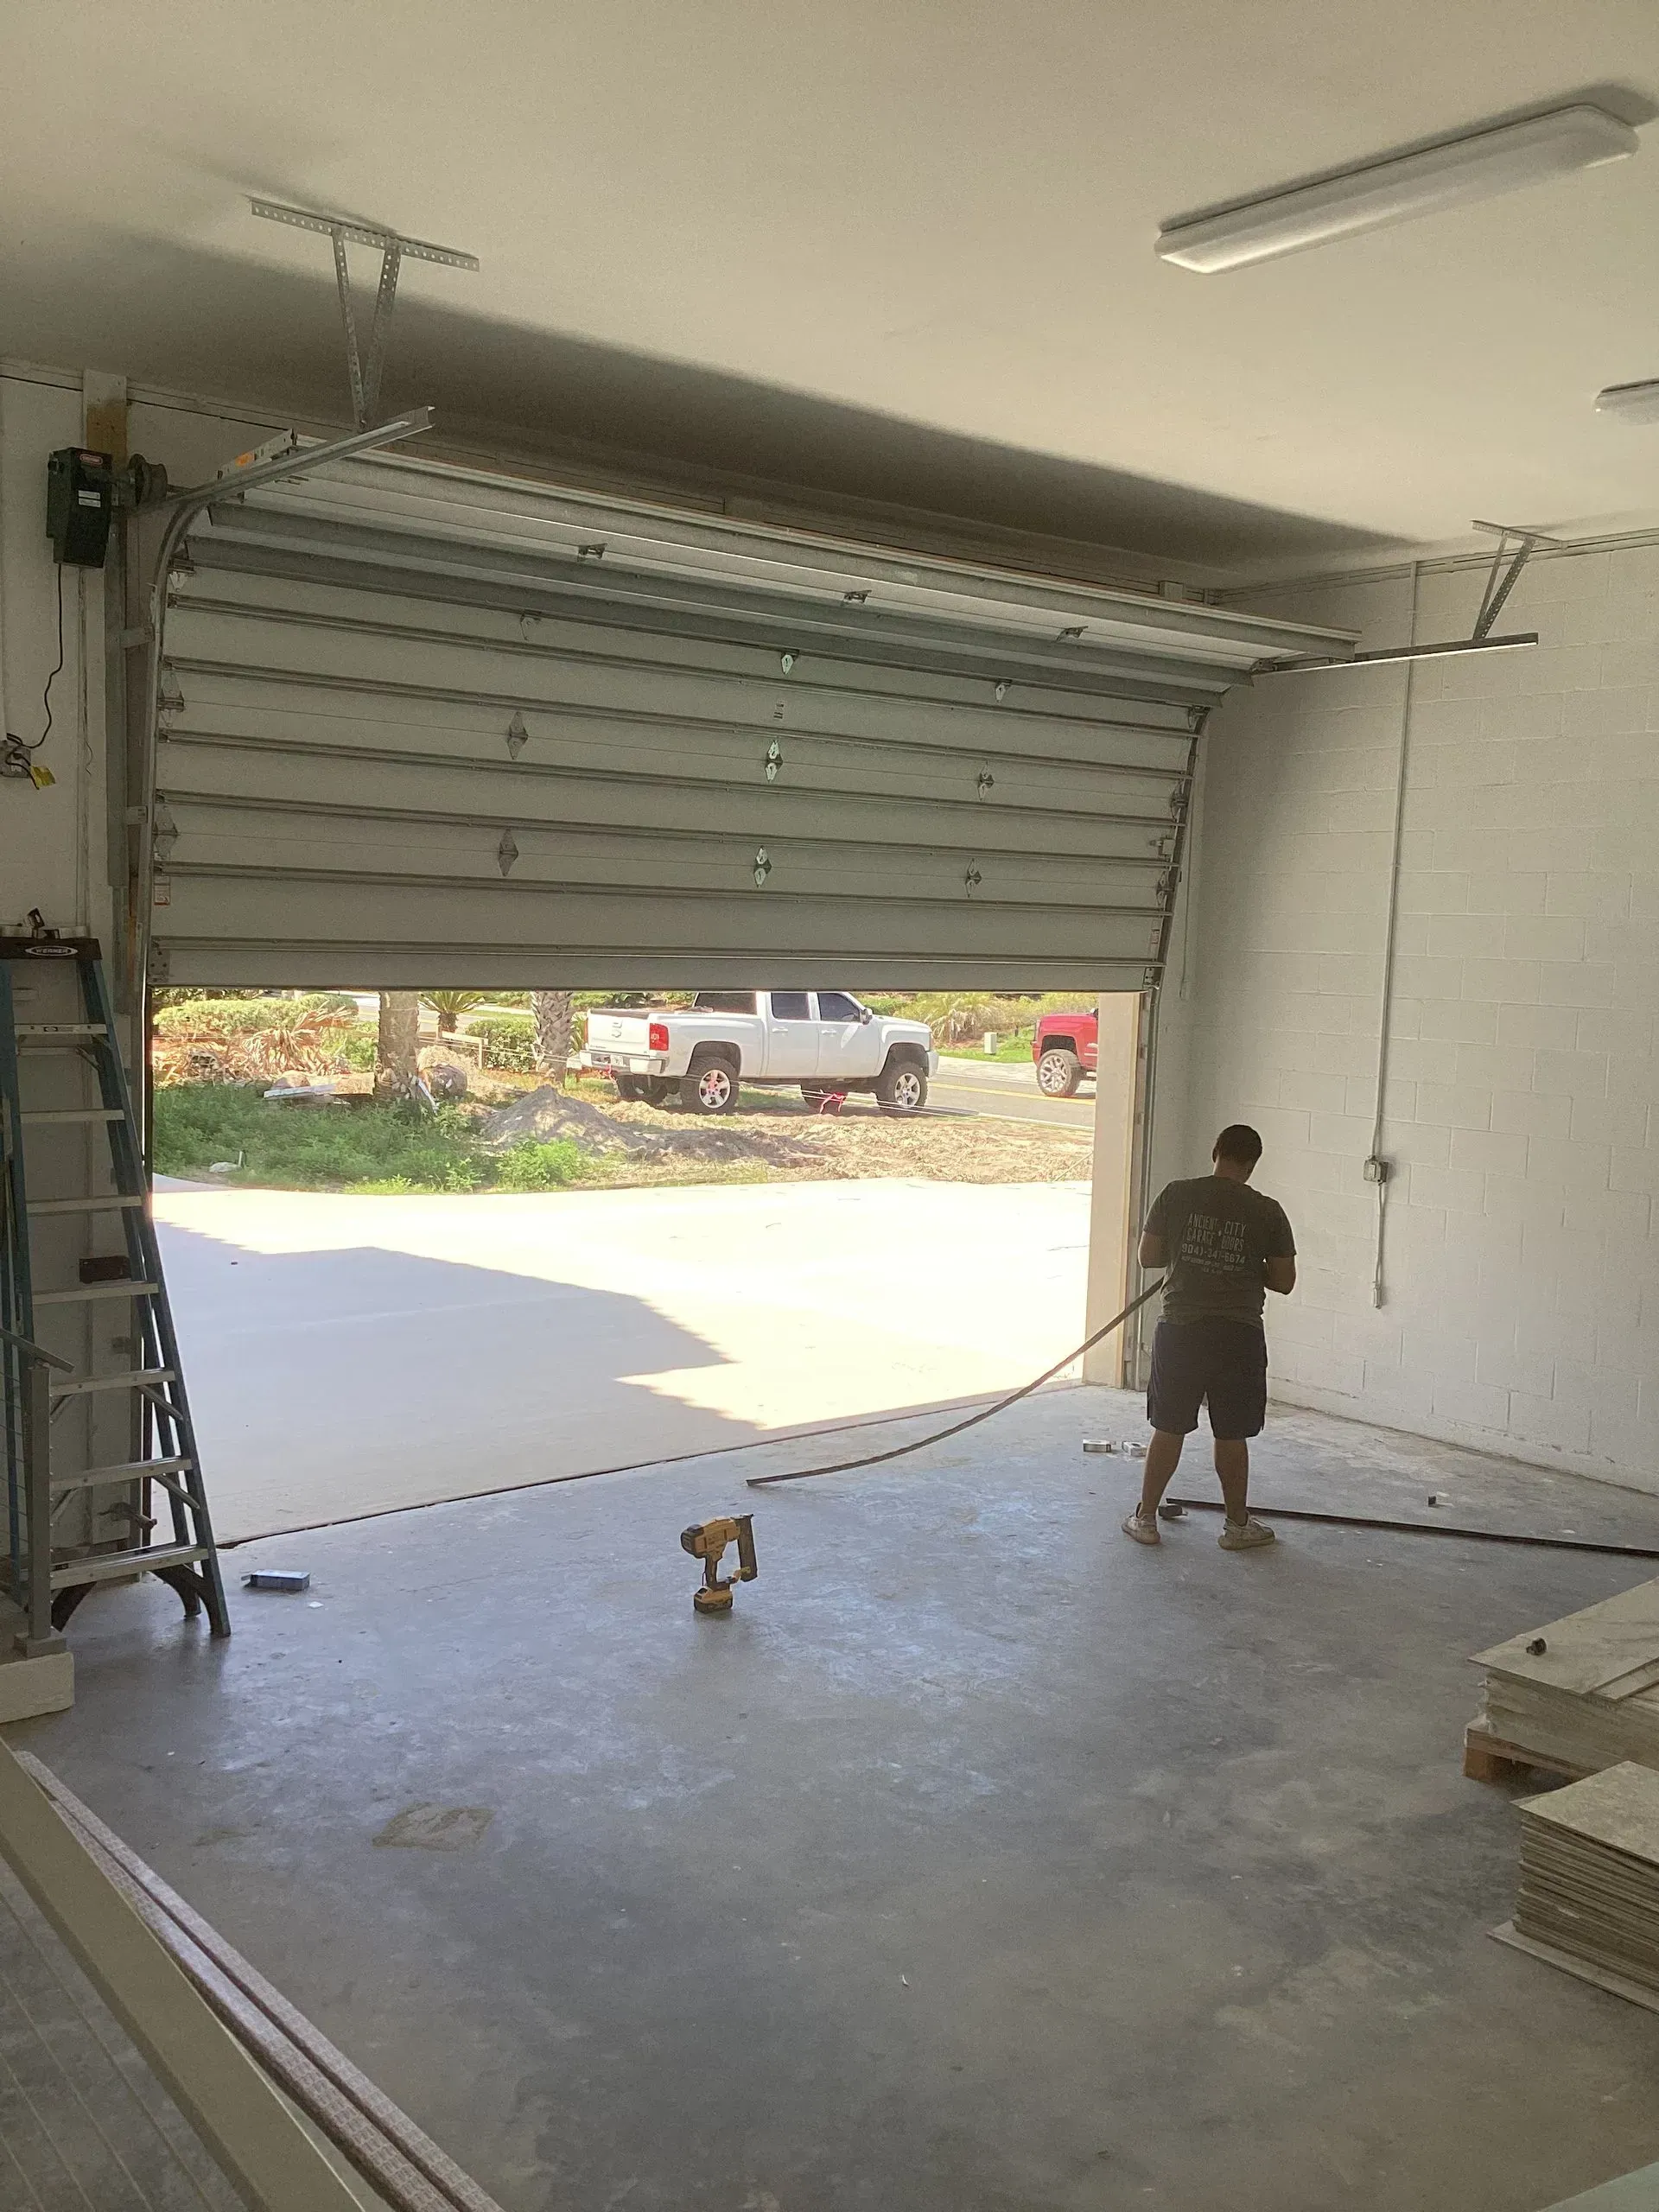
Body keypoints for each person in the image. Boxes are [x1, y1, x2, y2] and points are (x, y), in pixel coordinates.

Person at [1122, 1123, 1295, 1551]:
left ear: (1214, 1150)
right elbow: (1285, 1281)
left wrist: (1190, 1256)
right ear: (1252, 1165)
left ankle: (1145, 1519)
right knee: (1231, 1433)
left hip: (1181, 1328)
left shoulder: (1177, 1194)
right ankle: (1237, 1526)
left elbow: (1148, 1257)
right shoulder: (1267, 1210)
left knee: (1169, 1427)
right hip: (1238, 1335)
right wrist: (1243, 1263)